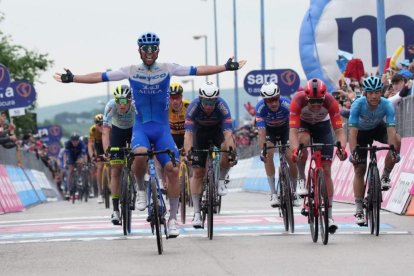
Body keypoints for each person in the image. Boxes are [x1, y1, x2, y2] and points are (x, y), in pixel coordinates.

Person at [54, 32, 246, 238]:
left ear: (158, 50)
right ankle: (141, 190)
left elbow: (197, 70)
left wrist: (225, 67)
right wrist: (73, 78)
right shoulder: (131, 70)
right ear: (139, 50)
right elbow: (100, 77)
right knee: (139, 154)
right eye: (145, 49)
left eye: (153, 48)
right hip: (142, 128)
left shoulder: (167, 68)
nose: (149, 52)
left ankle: (172, 220)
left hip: (162, 129)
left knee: (173, 170)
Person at [289, 78, 348, 234]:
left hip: (323, 127)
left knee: (327, 170)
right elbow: (293, 132)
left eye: (319, 101)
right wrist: (295, 150)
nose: (316, 105)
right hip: (304, 125)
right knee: (303, 142)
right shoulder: (297, 100)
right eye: (312, 101)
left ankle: (329, 216)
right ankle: (302, 179)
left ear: (324, 97)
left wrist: (341, 147)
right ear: (306, 97)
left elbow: (340, 131)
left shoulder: (330, 101)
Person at [348, 76, 401, 225]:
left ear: (381, 92)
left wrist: (392, 150)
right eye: (371, 93)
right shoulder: (358, 104)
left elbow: (391, 130)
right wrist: (354, 152)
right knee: (359, 169)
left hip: (378, 129)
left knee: (397, 140)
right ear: (365, 93)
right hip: (361, 134)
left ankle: (385, 176)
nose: (374, 96)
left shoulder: (387, 105)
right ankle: (359, 209)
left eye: (377, 92)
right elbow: (352, 132)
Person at [184, 82, 237, 228]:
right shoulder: (193, 107)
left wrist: (230, 149)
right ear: (201, 100)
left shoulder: (222, 106)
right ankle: (196, 213)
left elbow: (228, 133)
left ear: (216, 100)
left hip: (217, 130)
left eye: (212, 102)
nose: (208, 106)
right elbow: (188, 135)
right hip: (199, 132)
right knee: (198, 172)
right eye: (206, 102)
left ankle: (220, 180)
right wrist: (189, 152)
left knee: (227, 150)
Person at [255, 82, 299, 208]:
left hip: (286, 129)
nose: (273, 103)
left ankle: (294, 192)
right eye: (269, 100)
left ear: (279, 96)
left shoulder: (287, 104)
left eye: (275, 99)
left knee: (292, 157)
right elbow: (261, 132)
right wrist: (263, 150)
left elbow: (294, 127)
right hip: (270, 131)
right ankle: (273, 193)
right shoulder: (260, 108)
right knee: (268, 154)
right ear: (264, 100)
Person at [102, 85, 135, 225]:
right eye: (118, 101)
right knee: (115, 170)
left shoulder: (136, 106)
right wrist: (106, 150)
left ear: (129, 100)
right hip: (117, 131)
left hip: (134, 129)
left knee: (139, 159)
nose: (121, 105)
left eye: (124, 101)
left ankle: (137, 185)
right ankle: (115, 210)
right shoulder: (110, 106)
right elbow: (105, 130)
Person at [64, 132, 87, 198]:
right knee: (70, 171)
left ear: (78, 140)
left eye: (76, 141)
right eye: (73, 141)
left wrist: (85, 162)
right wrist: (65, 163)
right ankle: (68, 189)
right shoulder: (68, 144)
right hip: (71, 156)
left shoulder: (82, 144)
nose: (74, 142)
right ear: (71, 141)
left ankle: (79, 177)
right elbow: (65, 155)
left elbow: (84, 155)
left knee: (80, 163)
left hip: (78, 156)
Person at [88, 114, 105, 203]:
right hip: (98, 144)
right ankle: (100, 193)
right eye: (99, 124)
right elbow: (90, 144)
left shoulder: (108, 127)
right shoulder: (93, 130)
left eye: (103, 123)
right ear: (95, 125)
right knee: (100, 166)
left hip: (107, 142)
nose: (101, 126)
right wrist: (92, 156)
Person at [169, 82, 191, 150]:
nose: (175, 101)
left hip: (186, 134)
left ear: (181, 97)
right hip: (173, 135)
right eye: (172, 98)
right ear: (168, 98)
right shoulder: (165, 108)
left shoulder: (188, 105)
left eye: (177, 98)